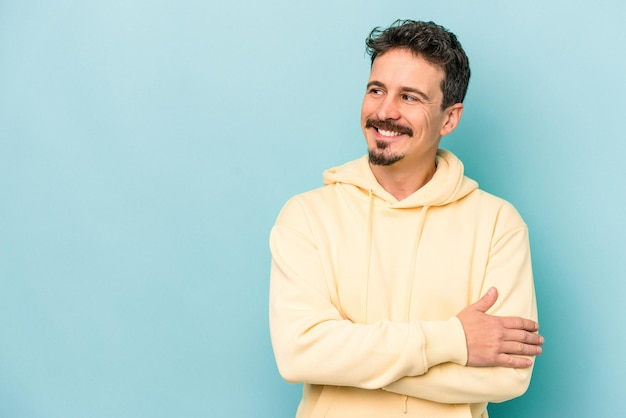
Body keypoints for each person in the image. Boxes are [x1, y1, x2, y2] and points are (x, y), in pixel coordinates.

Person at [269, 19, 544, 418]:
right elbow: (299, 355)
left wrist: (351, 357)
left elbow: (507, 378)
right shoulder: (307, 217)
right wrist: (456, 339)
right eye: (376, 90)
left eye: (409, 97)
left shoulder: (498, 224)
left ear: (449, 119)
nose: (385, 111)